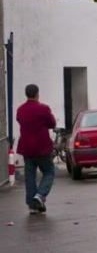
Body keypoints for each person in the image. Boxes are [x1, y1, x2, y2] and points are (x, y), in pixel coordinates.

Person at [16, 84, 56, 214]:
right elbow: (52, 124)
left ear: (26, 94)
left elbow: (19, 121)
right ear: (37, 94)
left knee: (30, 176)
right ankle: (40, 196)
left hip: (27, 148)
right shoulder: (43, 109)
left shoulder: (20, 110)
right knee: (49, 171)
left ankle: (32, 205)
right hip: (42, 147)